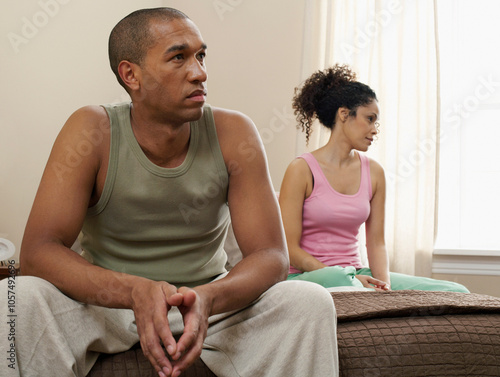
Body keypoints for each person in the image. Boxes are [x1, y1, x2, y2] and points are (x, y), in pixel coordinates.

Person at [0, 8, 339, 377]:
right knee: (16, 300)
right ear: (131, 75)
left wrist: (209, 298)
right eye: (179, 57)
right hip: (107, 308)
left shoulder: (234, 132)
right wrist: (134, 292)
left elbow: (271, 255)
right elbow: (38, 252)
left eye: (201, 56)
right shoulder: (91, 130)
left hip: (210, 306)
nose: (200, 73)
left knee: (310, 301)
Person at [279, 64, 469, 293]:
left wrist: (384, 288)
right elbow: (289, 248)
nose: (375, 129)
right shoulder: (301, 169)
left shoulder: (374, 173)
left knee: (455, 291)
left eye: (375, 122)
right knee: (340, 278)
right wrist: (346, 277)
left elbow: (377, 243)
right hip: (312, 276)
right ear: (343, 114)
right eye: (370, 119)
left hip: (357, 275)